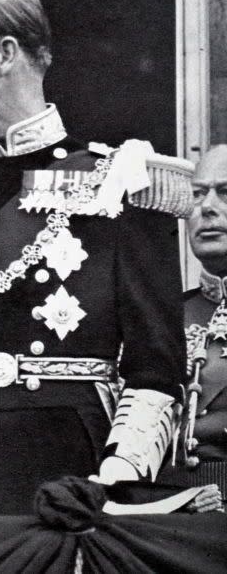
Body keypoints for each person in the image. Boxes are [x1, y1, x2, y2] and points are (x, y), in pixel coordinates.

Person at [0, 0, 187, 514]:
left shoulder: (119, 182)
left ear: (6, 55)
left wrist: (116, 476)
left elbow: (156, 366)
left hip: (69, 465)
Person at [160, 144, 227, 498]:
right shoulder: (165, 314)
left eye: (225, 192)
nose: (207, 207)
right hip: (168, 510)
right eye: (197, 194)